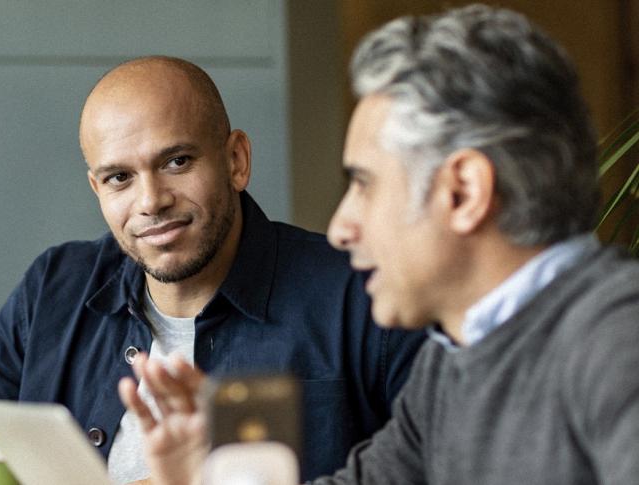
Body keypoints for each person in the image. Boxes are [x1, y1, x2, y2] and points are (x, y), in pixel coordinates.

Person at [126, 5, 639, 484]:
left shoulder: (618, 340)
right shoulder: (453, 359)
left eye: (365, 184)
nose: (342, 227)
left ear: (464, 193)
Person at [0, 56, 425, 484]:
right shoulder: (56, 288)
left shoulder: (360, 291)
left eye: (176, 161)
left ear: (236, 161)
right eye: (119, 178)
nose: (152, 201)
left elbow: (440, 464)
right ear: (97, 188)